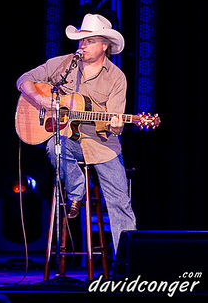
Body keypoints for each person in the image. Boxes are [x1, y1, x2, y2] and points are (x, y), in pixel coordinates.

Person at [16, 14, 136, 253]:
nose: (83, 45)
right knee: (54, 145)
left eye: (90, 41)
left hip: (102, 144)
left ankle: (126, 262)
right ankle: (75, 193)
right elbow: (24, 80)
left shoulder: (116, 78)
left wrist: (115, 125)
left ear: (105, 46)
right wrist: (41, 100)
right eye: (82, 40)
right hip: (69, 140)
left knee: (120, 201)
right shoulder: (63, 64)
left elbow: (113, 122)